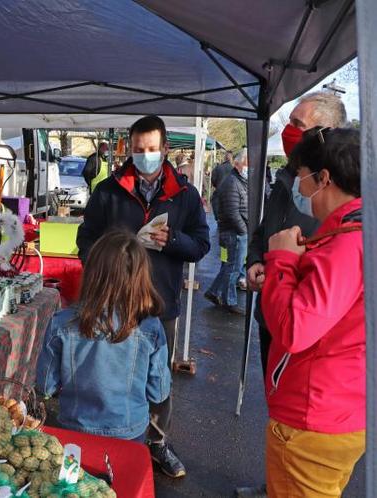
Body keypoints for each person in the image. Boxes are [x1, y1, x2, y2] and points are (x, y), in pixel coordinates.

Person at [77, 115, 210, 478]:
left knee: (158, 377)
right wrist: (107, 260)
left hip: (160, 301)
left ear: (166, 149)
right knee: (106, 371)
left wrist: (175, 241)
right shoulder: (107, 191)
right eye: (138, 150)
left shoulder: (186, 194)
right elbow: (85, 240)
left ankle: (157, 442)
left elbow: (201, 244)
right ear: (128, 149)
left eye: (152, 149)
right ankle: (107, 439)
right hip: (112, 300)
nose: (145, 156)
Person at [262, 127, 363, 497]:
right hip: (340, 408)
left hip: (313, 418)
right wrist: (284, 269)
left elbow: (294, 329)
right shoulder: (348, 234)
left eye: (302, 177)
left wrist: (284, 261)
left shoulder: (347, 245)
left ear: (324, 179)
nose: (299, 189)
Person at [36, 229, 170, 443]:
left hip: (75, 426)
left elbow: (45, 386)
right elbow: (159, 392)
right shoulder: (150, 327)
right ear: (141, 276)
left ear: (92, 272)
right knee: (123, 476)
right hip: (129, 429)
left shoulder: (62, 322)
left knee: (77, 476)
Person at [246, 91, 346, 376]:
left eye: (297, 124)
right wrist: (255, 261)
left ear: (327, 133)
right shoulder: (285, 177)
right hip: (269, 313)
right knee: (275, 399)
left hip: (304, 323)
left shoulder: (341, 196)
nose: (289, 131)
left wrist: (282, 266)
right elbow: (264, 232)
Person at [204, 148, 248, 314]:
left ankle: (214, 292)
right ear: (237, 164)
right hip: (234, 232)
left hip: (234, 230)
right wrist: (244, 231)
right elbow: (232, 212)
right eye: (247, 163)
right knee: (233, 267)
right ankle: (230, 300)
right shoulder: (232, 183)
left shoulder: (237, 181)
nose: (249, 167)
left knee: (230, 266)